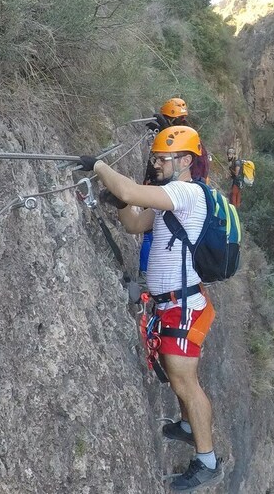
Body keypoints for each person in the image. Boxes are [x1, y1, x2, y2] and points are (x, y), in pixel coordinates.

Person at [79, 126, 222, 492]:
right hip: (174, 303)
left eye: (162, 158)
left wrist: (99, 166)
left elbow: (128, 188)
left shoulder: (185, 192)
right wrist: (121, 202)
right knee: (178, 376)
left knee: (185, 381)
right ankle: (188, 427)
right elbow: (134, 225)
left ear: (186, 161)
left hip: (183, 305)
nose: (155, 164)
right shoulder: (171, 200)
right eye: (155, 158)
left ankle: (207, 461)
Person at [139, 98, 209, 275]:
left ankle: (145, 272)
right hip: (178, 195)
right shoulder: (193, 140)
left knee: (149, 233)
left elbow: (178, 167)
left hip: (178, 196)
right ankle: (148, 272)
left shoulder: (186, 145)